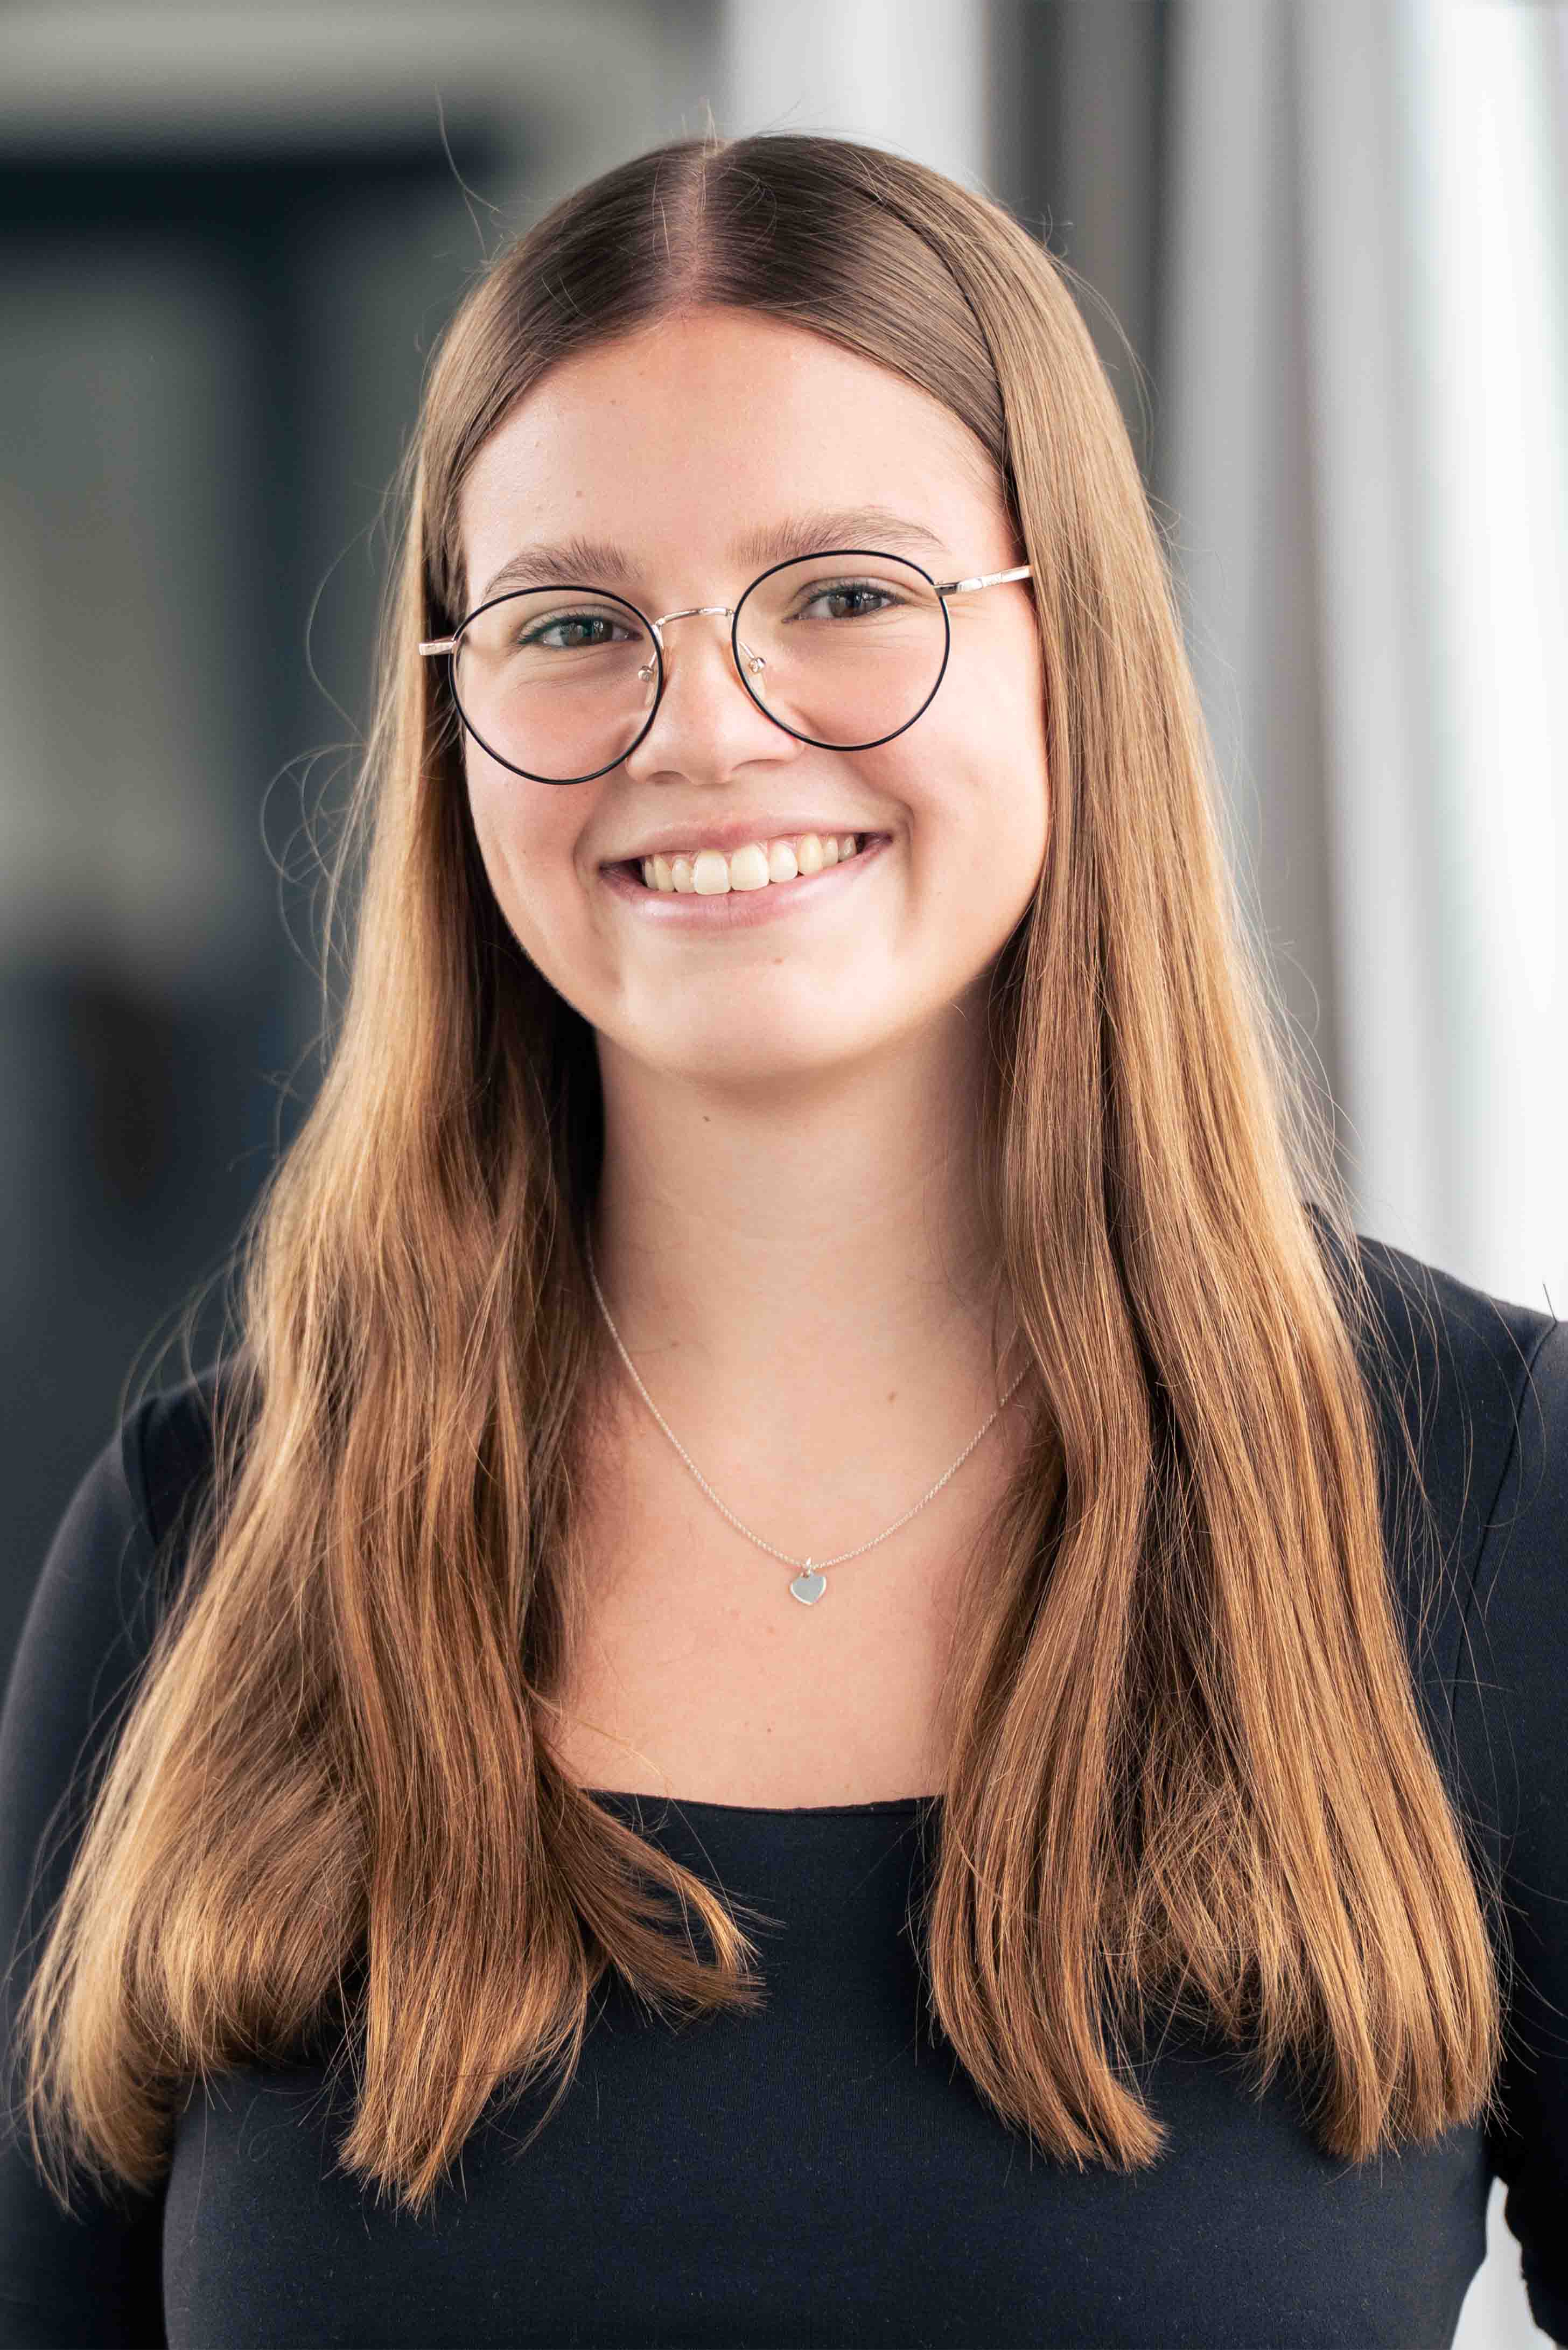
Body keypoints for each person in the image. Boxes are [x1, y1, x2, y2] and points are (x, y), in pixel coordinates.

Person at [1, 128, 1564, 2350]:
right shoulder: (205, 1544)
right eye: (569, 623)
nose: (705, 726)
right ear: (453, 715)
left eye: (841, 591)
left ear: (1067, 648)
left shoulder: (1484, 1482)